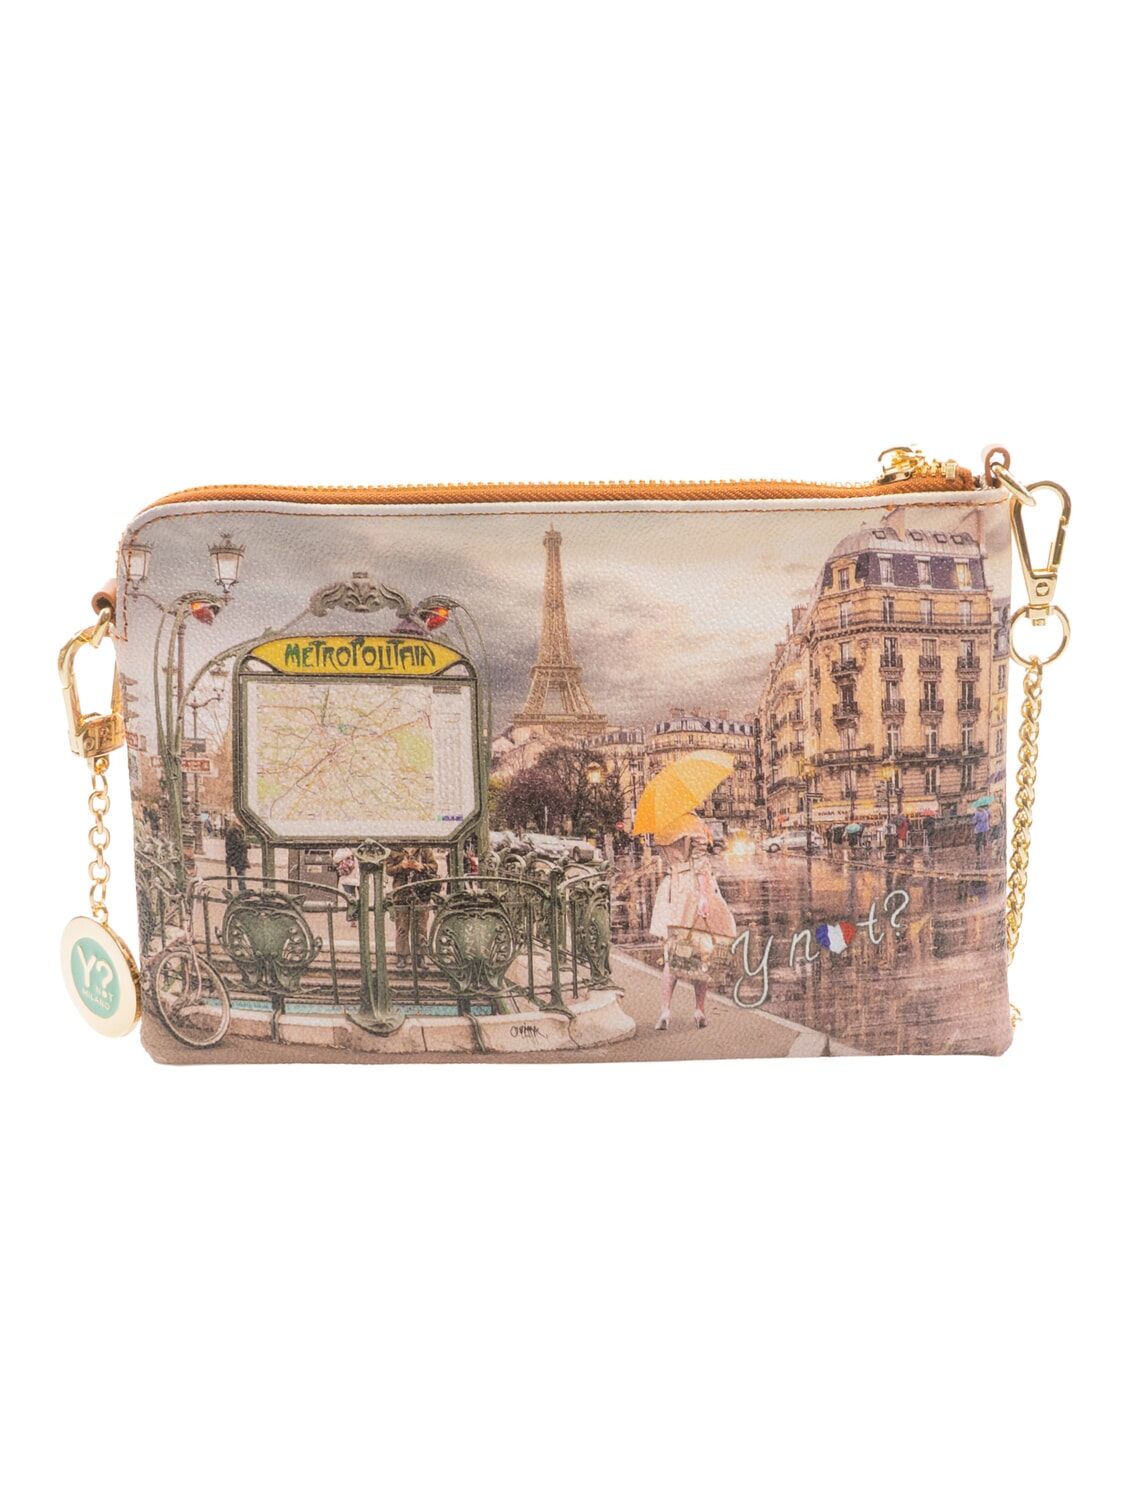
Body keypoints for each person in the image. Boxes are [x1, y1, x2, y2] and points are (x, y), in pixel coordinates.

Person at [649, 815, 736, 1031]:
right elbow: (701, 864)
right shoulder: (692, 824)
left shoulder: (662, 826)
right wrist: (704, 896)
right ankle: (699, 1009)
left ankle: (665, 1010)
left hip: (671, 887)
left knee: (672, 951)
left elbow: (667, 857)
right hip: (692, 888)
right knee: (701, 948)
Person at [386, 845, 439, 969]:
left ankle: (420, 956)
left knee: (421, 927)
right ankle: (402, 955)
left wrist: (422, 867)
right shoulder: (394, 849)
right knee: (402, 926)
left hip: (421, 892)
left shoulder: (424, 848)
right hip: (401, 893)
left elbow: (434, 866)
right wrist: (402, 866)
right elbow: (388, 870)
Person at [333, 848, 361, 924]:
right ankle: (353, 918)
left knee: (362, 898)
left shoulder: (360, 849)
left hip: (359, 878)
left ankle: (358, 916)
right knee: (351, 898)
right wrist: (349, 853)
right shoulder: (344, 850)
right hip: (348, 879)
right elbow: (335, 859)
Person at [224, 818, 250, 892]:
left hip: (234, 856)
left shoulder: (234, 829)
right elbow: (239, 843)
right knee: (241, 876)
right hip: (238, 857)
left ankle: (239, 891)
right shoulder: (235, 830)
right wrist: (248, 845)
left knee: (239, 876)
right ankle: (243, 892)